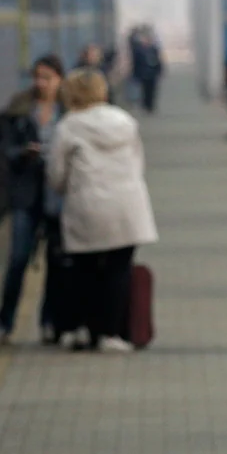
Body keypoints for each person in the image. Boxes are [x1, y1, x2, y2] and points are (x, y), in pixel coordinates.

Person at [46, 68, 158, 352]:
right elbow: (138, 163)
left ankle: (82, 329)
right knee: (118, 270)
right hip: (126, 206)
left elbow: (56, 175)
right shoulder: (125, 122)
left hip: (87, 207)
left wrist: (69, 188)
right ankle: (111, 334)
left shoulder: (68, 126)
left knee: (83, 270)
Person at [0, 55, 66, 346]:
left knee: (56, 261)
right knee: (18, 260)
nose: (41, 83)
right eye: (37, 77)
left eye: (47, 78)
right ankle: (3, 324)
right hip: (26, 193)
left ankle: (50, 322)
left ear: (60, 79)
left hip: (57, 195)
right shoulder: (20, 109)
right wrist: (23, 153)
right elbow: (5, 149)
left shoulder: (68, 109)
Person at [130, 26, 165, 113]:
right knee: (144, 90)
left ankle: (150, 105)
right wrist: (135, 73)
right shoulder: (138, 50)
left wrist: (159, 70)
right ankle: (145, 105)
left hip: (152, 73)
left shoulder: (154, 49)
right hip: (143, 74)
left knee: (152, 90)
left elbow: (158, 61)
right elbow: (136, 63)